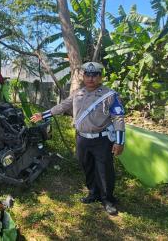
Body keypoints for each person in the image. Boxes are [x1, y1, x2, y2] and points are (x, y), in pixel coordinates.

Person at [30, 62, 125, 215]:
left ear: (100, 77)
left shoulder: (110, 95)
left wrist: (119, 141)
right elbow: (62, 106)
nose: (91, 78)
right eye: (88, 75)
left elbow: (118, 118)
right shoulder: (77, 93)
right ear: (83, 76)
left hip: (102, 139)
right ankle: (93, 193)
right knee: (86, 166)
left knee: (104, 170)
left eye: (95, 75)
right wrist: (43, 114)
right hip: (82, 139)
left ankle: (107, 199)